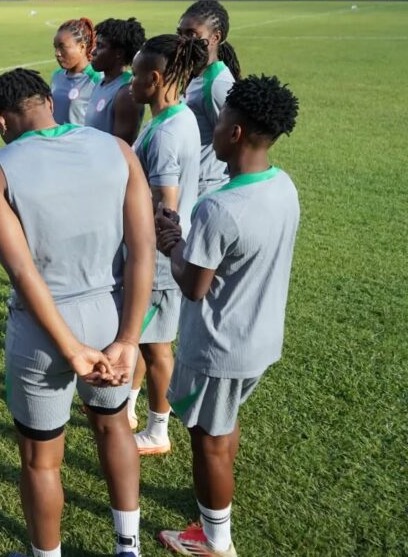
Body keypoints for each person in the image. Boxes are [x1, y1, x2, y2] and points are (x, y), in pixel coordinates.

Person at [0, 68, 155, 557]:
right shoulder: (117, 150)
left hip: (41, 329)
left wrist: (69, 347)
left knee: (40, 459)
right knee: (114, 425)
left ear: (0, 119)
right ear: (48, 104)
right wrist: (127, 339)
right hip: (111, 315)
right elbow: (143, 251)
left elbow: (23, 273)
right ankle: (127, 546)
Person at [155, 75, 300, 557]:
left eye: (218, 121)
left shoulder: (220, 207)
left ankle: (215, 540)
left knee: (208, 442)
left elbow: (193, 285)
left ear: (235, 133)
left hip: (217, 348)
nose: (212, 128)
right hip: (259, 340)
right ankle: (213, 514)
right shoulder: (282, 185)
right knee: (222, 424)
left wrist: (172, 243)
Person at [127, 35, 205, 456]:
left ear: (155, 79)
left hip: (158, 260)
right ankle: (129, 407)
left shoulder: (167, 135)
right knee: (143, 337)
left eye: (137, 75)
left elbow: (166, 209)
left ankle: (158, 429)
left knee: (156, 346)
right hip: (155, 256)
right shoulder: (173, 117)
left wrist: (145, 249)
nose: (131, 82)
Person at [177, 0, 241, 196]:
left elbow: (236, 143)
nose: (183, 40)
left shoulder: (217, 84)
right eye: (180, 33)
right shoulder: (194, 74)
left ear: (215, 38)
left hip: (203, 188)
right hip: (187, 182)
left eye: (191, 34)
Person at [87, 17, 147, 144]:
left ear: (118, 53)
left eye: (100, 46)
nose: (93, 52)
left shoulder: (126, 93)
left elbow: (121, 148)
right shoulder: (101, 82)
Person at [50, 18, 102, 126]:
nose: (57, 53)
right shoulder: (57, 76)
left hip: (83, 142)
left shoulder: (97, 79)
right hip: (57, 142)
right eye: (55, 47)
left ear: (81, 47)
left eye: (62, 47)